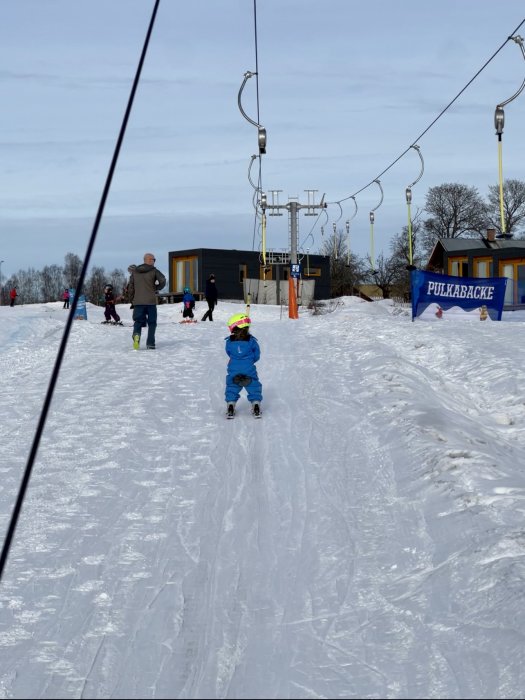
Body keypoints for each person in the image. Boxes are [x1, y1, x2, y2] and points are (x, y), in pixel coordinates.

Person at [224, 312, 262, 418]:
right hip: (248, 369)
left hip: (233, 368)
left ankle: (231, 405)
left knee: (232, 386)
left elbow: (229, 353)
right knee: (253, 385)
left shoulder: (229, 342)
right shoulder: (252, 341)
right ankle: (256, 404)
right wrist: (249, 361)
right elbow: (257, 355)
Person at [128, 253, 166, 350]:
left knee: (138, 322)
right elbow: (163, 280)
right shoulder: (154, 271)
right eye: (153, 259)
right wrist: (156, 288)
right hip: (150, 302)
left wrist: (132, 300)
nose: (154, 261)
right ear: (149, 260)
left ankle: (136, 336)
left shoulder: (135, 272)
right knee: (152, 323)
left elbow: (131, 288)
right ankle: (150, 343)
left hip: (138, 302)